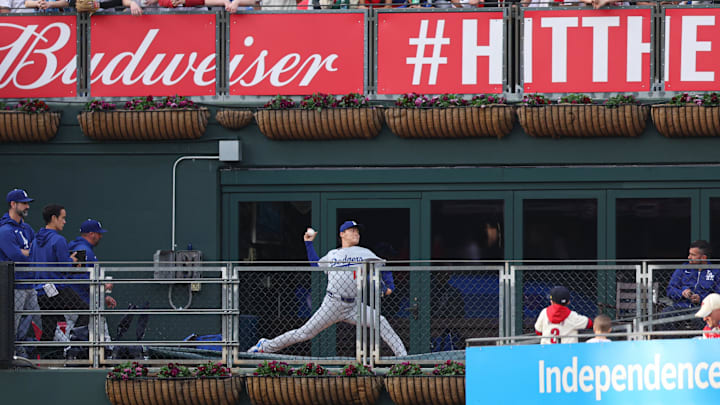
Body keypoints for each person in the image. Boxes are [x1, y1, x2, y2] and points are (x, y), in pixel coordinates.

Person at [248, 220, 407, 356]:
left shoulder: (364, 252)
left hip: (353, 305)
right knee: (305, 333)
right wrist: (308, 244)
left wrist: (390, 286)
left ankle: (403, 358)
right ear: (342, 234)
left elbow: (383, 265)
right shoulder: (333, 255)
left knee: (381, 321)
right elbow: (315, 264)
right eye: (352, 231)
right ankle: (265, 346)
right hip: (332, 303)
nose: (356, 233)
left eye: (357, 231)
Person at [29, 204, 82, 343]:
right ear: (54, 218)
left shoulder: (35, 241)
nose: (65, 221)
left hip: (41, 291)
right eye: (63, 218)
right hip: (58, 289)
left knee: (49, 327)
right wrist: (73, 260)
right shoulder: (59, 240)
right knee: (86, 310)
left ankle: (45, 358)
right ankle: (75, 345)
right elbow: (65, 266)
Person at [0, 189, 40, 356]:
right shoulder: (4, 230)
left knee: (37, 319)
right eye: (23, 203)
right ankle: (10, 354)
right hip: (14, 285)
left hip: (29, 283)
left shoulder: (27, 228)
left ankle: (22, 349)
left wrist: (26, 252)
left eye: (27, 203)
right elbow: (15, 256)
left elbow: (35, 251)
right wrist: (26, 252)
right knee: (12, 323)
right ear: (13, 204)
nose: (27, 206)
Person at [665, 240, 719, 313]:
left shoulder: (715, 271)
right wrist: (682, 293)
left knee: (700, 318)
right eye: (689, 254)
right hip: (681, 306)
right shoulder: (683, 268)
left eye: (693, 255)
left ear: (703, 258)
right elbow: (670, 289)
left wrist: (701, 298)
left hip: (703, 308)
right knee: (666, 313)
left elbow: (717, 295)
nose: (689, 257)